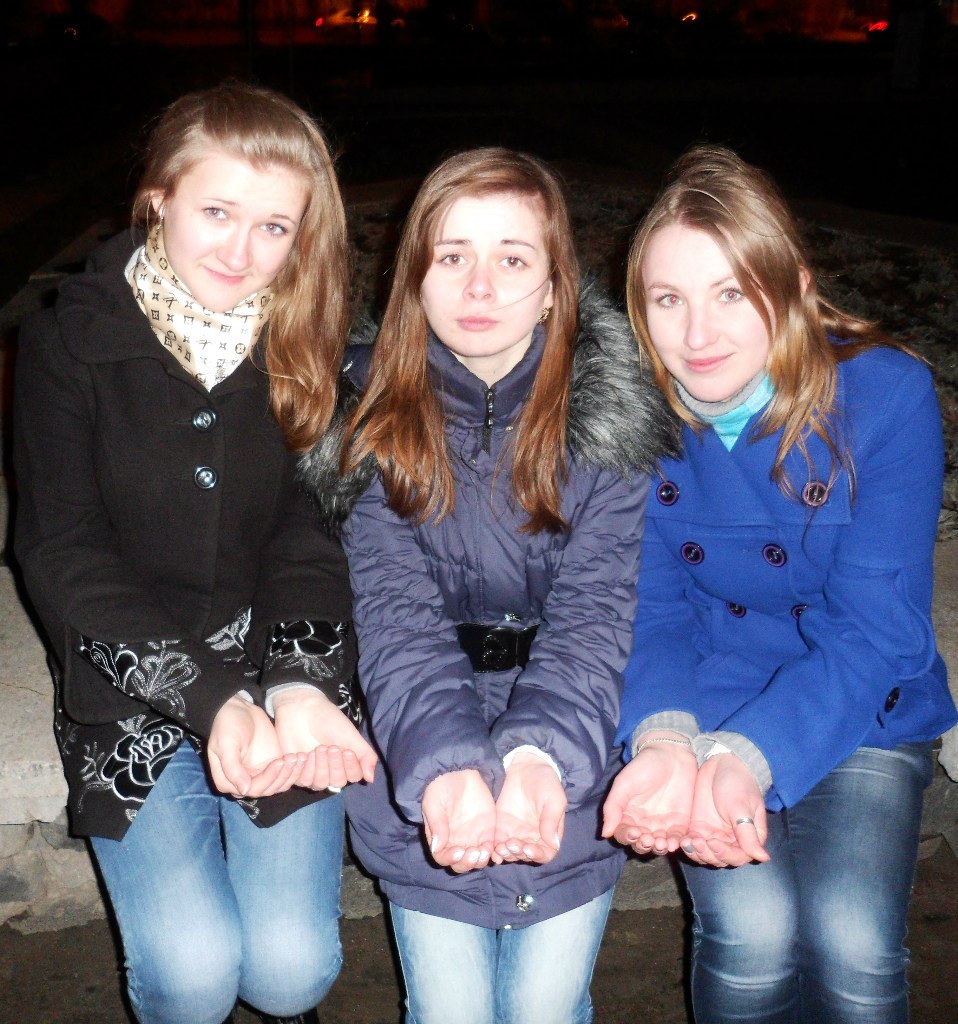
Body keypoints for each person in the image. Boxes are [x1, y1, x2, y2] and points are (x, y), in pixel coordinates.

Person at [13, 82, 377, 1024]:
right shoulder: (68, 342)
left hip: (274, 670)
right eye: (217, 211)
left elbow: (309, 528)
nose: (240, 251)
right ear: (159, 197)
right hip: (127, 684)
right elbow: (60, 550)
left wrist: (300, 684)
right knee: (194, 976)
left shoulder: (308, 341)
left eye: (274, 227)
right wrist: (210, 699)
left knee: (291, 974)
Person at [300, 147, 678, 1024]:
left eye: (512, 258)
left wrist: (540, 759)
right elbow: (394, 618)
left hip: (577, 727)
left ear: (553, 287)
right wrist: (446, 771)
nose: (479, 287)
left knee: (546, 1005)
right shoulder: (368, 420)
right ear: (413, 278)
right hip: (417, 721)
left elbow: (596, 613)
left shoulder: (610, 421)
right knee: (450, 1008)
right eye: (451, 256)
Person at [602, 144, 958, 1024]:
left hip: (863, 703)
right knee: (753, 937)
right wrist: (666, 743)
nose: (698, 336)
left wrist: (749, 758)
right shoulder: (624, 414)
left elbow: (876, 629)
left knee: (853, 942)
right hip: (704, 696)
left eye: (732, 294)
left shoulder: (885, 397)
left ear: (794, 288)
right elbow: (648, 610)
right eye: (668, 300)